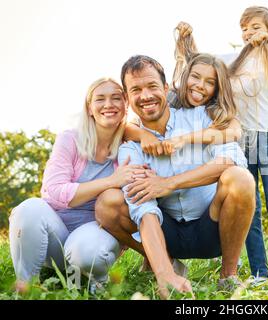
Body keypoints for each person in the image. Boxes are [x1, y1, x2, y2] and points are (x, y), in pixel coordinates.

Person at [95, 55, 256, 299]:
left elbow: (232, 160)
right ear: (127, 99)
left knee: (241, 178)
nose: (146, 95)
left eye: (152, 86)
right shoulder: (131, 147)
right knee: (108, 202)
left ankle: (228, 275)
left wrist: (168, 184)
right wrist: (163, 274)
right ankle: (167, 264)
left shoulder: (201, 118)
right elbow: (143, 207)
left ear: (166, 88)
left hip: (211, 227)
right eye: (136, 90)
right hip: (164, 233)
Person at [176, 6, 268, 281]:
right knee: (249, 208)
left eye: (255, 27)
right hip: (240, 141)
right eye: (245, 28)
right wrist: (186, 38)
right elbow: (198, 63)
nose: (248, 33)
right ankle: (259, 273)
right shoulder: (230, 59)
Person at [9, 78, 146, 293]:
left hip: (96, 232)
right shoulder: (70, 139)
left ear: (125, 106)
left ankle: (91, 285)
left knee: (85, 252)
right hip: (56, 231)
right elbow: (54, 191)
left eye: (116, 98)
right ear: (90, 108)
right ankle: (25, 288)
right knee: (28, 210)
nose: (108, 104)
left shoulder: (130, 148)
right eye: (100, 99)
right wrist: (111, 182)